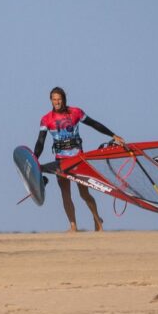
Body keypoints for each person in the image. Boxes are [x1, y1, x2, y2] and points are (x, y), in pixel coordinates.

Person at [33, 87, 125, 232]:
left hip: (78, 159)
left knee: (84, 194)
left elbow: (94, 123)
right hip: (60, 161)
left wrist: (112, 135)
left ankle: (97, 220)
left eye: (59, 99)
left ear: (64, 99)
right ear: (51, 100)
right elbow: (40, 142)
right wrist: (34, 159)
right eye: (54, 99)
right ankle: (73, 226)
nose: (57, 102)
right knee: (65, 194)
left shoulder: (75, 113)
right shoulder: (46, 120)